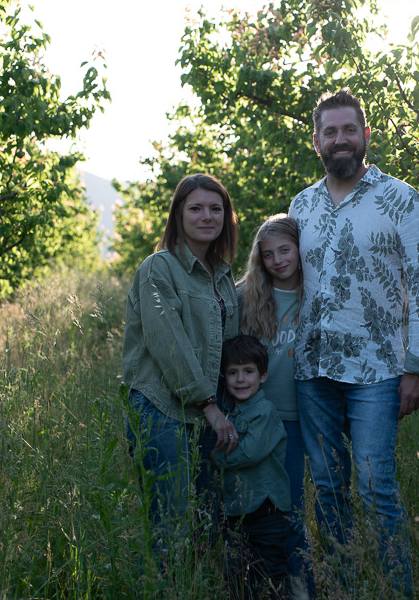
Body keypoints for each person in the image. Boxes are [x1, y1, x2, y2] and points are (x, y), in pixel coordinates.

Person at [288, 88, 419, 595]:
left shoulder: (402, 199)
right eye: (330, 132)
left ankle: (396, 587)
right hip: (312, 369)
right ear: (316, 141)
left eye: (348, 130)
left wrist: (418, 366)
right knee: (329, 488)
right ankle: (345, 582)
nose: (340, 140)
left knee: (376, 487)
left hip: (378, 370)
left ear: (365, 135)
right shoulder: (301, 205)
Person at [122, 173, 241, 560]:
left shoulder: (222, 276)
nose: (207, 216)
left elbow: (231, 348)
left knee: (211, 521)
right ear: (178, 215)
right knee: (170, 526)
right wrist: (209, 405)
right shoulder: (159, 268)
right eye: (195, 208)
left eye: (215, 208)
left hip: (211, 414)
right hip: (164, 410)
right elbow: (168, 342)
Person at [237, 214, 316, 598]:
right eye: (268, 255)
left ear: (301, 249)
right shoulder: (247, 294)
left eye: (285, 249)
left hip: (307, 416)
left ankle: (302, 581)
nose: (278, 260)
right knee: (272, 507)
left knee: (298, 506)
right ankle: (269, 579)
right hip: (264, 417)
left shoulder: (317, 292)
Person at [212, 334, 291, 600]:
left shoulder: (264, 412)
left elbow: (249, 452)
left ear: (263, 375)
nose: (241, 379)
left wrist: (214, 457)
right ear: (224, 377)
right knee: (237, 576)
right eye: (233, 373)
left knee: (272, 576)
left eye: (248, 371)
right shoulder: (227, 413)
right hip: (237, 511)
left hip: (267, 511)